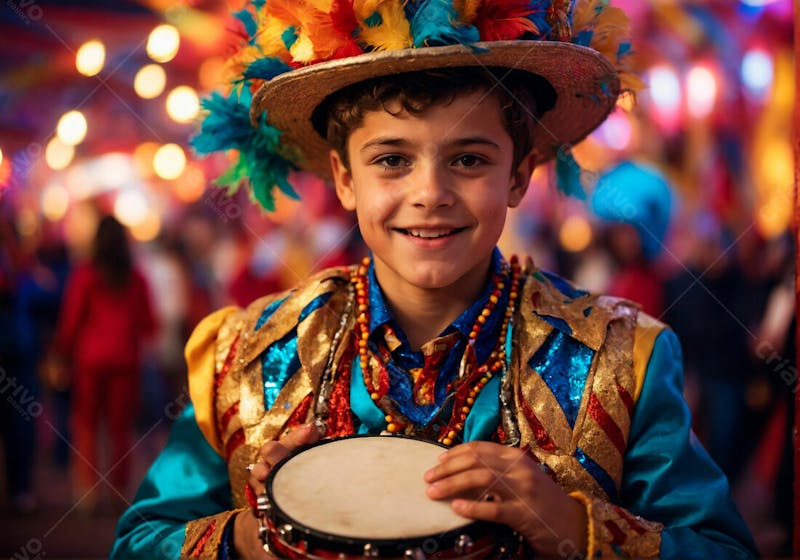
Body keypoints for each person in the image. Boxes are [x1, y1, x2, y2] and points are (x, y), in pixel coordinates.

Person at [112, 1, 756, 558]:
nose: (431, 194)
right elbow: (140, 541)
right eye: (392, 159)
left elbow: (723, 548)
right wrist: (256, 538)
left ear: (517, 177)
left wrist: (570, 527)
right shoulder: (245, 358)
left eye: (468, 159)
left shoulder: (622, 360)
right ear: (344, 178)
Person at [54, 215, 156, 511]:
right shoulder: (135, 278)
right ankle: (118, 491)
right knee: (120, 428)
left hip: (89, 361)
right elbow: (149, 323)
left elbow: (71, 321)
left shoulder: (85, 275)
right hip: (125, 359)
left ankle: (88, 492)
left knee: (86, 424)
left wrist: (61, 352)